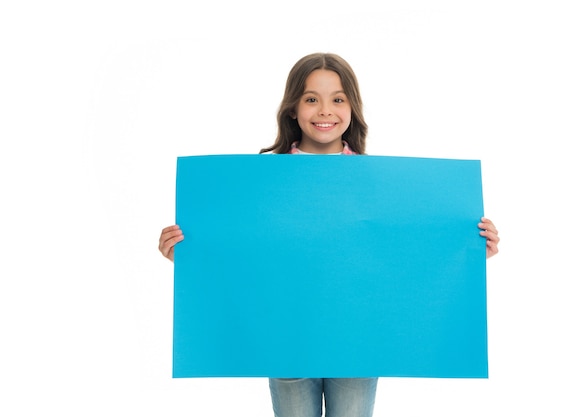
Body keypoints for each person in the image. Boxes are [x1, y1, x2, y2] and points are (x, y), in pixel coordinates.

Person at [158, 52, 500, 417]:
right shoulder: (259, 183)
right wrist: (191, 257)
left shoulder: (381, 184)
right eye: (311, 99)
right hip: (286, 337)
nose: (325, 111)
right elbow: (247, 255)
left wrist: (468, 251)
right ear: (292, 108)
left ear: (352, 108)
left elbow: (405, 256)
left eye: (337, 99)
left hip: (356, 340)